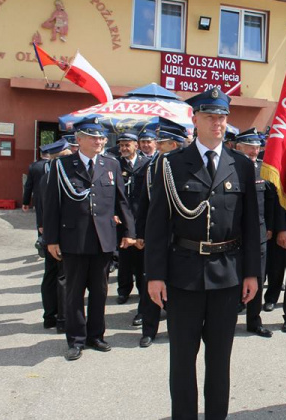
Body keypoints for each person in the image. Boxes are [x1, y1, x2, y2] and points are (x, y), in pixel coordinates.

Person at [145, 88, 260, 420]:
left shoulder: (241, 165)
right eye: (210, 117)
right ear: (194, 119)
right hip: (183, 275)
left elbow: (252, 224)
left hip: (227, 274)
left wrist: (252, 273)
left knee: (220, 361)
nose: (218, 123)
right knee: (182, 360)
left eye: (222, 117)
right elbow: (157, 228)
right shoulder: (171, 164)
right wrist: (155, 276)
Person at [43, 116, 136, 361]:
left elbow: (121, 201)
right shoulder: (62, 166)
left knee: (100, 290)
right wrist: (51, 240)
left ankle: (96, 335)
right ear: (79, 139)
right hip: (73, 239)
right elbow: (52, 206)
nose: (99, 141)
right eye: (94, 137)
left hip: (103, 239)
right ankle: (76, 340)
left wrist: (129, 232)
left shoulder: (111, 164)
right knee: (74, 293)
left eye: (102, 137)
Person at [134, 118, 187, 348]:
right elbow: (142, 203)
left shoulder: (185, 165)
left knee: (177, 287)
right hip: (157, 235)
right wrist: (140, 233)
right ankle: (149, 329)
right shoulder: (150, 167)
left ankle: (177, 329)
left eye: (162, 143)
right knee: (151, 283)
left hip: (179, 238)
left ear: (174, 144)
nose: (156, 145)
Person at [235, 127, 275, 338]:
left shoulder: (263, 169)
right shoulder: (230, 167)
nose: (254, 150)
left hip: (258, 234)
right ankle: (228, 317)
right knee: (233, 278)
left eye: (257, 146)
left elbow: (270, 201)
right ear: (238, 146)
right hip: (233, 235)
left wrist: (269, 227)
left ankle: (254, 321)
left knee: (257, 279)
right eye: (250, 146)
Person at [34, 139, 71, 331]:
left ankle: (49, 316)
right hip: (59, 234)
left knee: (50, 275)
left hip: (48, 232)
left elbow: (40, 208)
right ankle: (62, 320)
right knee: (62, 276)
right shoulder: (56, 177)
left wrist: (42, 228)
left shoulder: (45, 174)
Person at [115, 133, 151, 326]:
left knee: (142, 268)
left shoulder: (147, 164)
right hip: (122, 222)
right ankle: (123, 290)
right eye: (121, 145)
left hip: (141, 221)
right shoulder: (114, 164)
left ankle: (143, 308)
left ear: (136, 146)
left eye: (127, 145)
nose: (123, 148)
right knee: (124, 261)